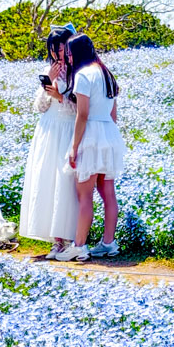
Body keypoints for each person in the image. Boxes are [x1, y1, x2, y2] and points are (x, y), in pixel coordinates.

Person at [55, 34, 125, 261]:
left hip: (91, 134)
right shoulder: (107, 74)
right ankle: (108, 243)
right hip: (109, 134)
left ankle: (79, 246)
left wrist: (74, 146)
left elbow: (83, 114)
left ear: (77, 53)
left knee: (84, 195)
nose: (69, 58)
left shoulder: (83, 75)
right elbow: (113, 115)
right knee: (108, 193)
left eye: (69, 54)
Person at [19, 25, 79, 258]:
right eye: (53, 50)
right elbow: (40, 107)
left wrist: (60, 96)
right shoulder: (49, 70)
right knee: (48, 181)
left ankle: (70, 237)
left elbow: (80, 109)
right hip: (48, 129)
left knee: (65, 184)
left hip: (68, 129)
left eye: (61, 49)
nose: (57, 55)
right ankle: (56, 241)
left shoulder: (77, 71)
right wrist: (49, 85)